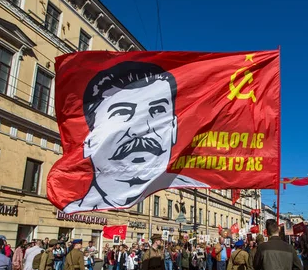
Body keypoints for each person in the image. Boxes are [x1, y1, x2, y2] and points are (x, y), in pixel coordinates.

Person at [61, 62, 208, 213]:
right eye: (122, 112)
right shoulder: (72, 205)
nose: (143, 129)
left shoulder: (194, 184)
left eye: (157, 110)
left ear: (174, 129)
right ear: (89, 139)